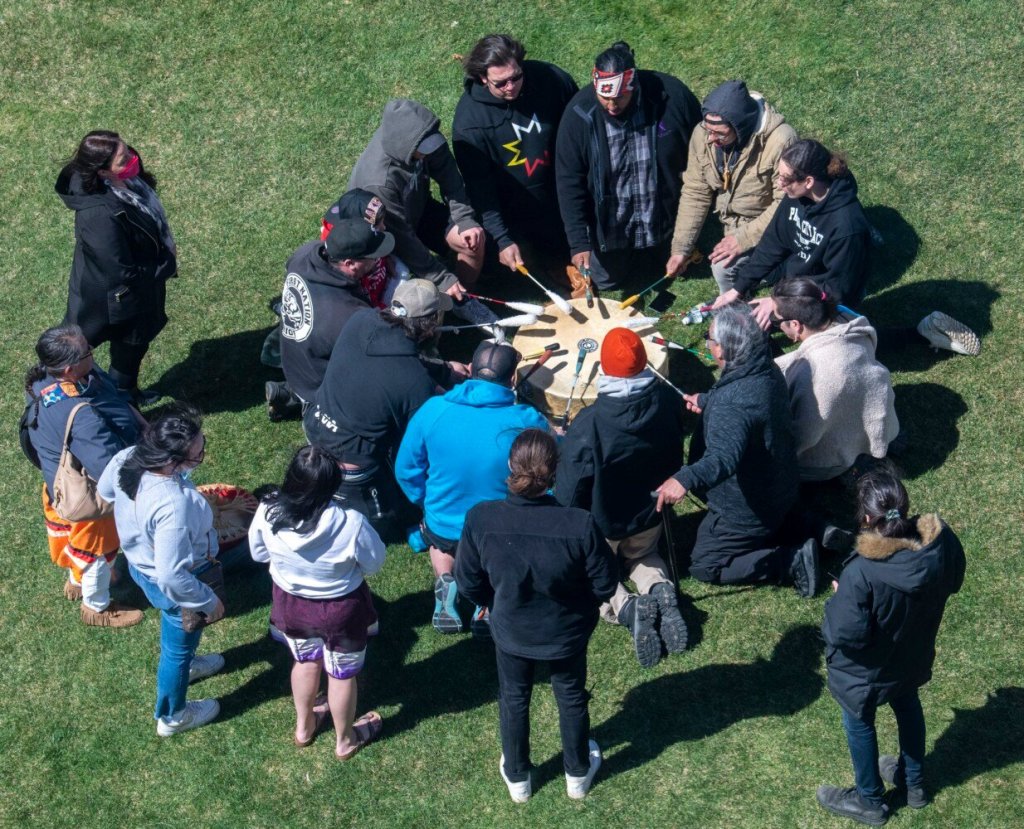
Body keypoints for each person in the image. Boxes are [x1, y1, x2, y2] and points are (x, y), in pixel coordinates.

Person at [456, 430, 617, 802]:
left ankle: (518, 778)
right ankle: (577, 774)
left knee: (514, 697)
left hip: (512, 630)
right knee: (571, 696)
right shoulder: (579, 524)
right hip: (566, 633)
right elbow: (605, 584)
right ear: (554, 473)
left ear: (511, 467)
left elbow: (467, 583)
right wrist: (580, 607)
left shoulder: (481, 519)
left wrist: (495, 603)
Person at [817, 470, 965, 826]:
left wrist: (838, 600)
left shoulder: (861, 573)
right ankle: (913, 784)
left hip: (865, 672)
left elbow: (842, 634)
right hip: (912, 654)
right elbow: (955, 578)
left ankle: (870, 801)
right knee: (907, 702)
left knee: (859, 722)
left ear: (867, 518)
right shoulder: (940, 542)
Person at [654, 304, 820, 596]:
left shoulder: (733, 403)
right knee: (784, 521)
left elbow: (723, 458)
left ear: (721, 351)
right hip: (782, 485)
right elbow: (747, 410)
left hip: (747, 508)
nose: (707, 340)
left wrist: (684, 479)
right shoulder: (765, 367)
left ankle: (789, 561)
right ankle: (812, 529)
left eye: (709, 336)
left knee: (705, 566)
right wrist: (709, 401)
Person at [395, 339, 549, 635]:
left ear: (471, 370)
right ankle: (486, 606)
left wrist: (426, 501)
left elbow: (406, 469)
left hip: (442, 523)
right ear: (513, 378)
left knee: (440, 543)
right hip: (497, 529)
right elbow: (551, 458)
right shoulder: (526, 421)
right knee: (496, 561)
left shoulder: (433, 409)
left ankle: (445, 579)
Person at [554, 328, 688, 667]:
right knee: (644, 555)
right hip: (650, 511)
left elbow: (570, 490)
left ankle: (625, 606)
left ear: (605, 368)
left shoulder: (589, 424)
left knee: (595, 572)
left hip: (603, 523)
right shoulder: (668, 401)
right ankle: (659, 589)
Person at [97, 404, 228, 735]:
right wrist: (208, 602)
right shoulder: (173, 505)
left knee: (183, 642)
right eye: (197, 454)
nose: (202, 457)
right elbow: (173, 577)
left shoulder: (129, 456)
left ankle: (191, 663)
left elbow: (104, 491)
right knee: (175, 650)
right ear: (173, 461)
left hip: (141, 566)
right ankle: (172, 716)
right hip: (171, 582)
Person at [248, 446, 386, 759]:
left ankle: (304, 728)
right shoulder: (351, 523)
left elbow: (258, 553)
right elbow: (374, 563)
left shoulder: (267, 510)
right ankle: (344, 741)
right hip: (341, 608)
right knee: (341, 675)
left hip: (291, 604)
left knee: (305, 661)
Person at [303, 279, 467, 540]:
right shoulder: (415, 384)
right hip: (353, 464)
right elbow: (417, 446)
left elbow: (398, 359)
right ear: (431, 322)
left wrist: (445, 370)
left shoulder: (361, 320)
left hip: (313, 424)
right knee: (385, 524)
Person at [23, 324, 144, 627]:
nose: (93, 353)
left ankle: (76, 580)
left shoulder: (44, 380)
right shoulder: (82, 417)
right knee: (99, 551)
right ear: (69, 368)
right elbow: (108, 469)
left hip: (59, 483)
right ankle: (97, 607)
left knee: (77, 541)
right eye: (88, 351)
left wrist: (136, 418)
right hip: (90, 497)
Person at [555, 41, 701, 290]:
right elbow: (568, 182)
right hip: (612, 228)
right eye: (604, 97)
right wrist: (579, 243)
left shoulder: (673, 97)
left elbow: (701, 154)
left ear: (634, 86)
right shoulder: (578, 115)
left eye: (620, 97)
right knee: (606, 281)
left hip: (662, 219)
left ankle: (659, 244)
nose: (611, 106)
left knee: (675, 268)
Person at [56, 130, 177, 406]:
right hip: (111, 301)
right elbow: (121, 272)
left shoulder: (124, 182)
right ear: (102, 172)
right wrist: (166, 264)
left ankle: (127, 393)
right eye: (124, 159)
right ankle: (113, 404)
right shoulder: (98, 216)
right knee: (81, 349)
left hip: (130, 293)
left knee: (132, 349)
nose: (133, 159)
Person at [452, 33, 578, 280]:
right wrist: (502, 239)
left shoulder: (550, 78)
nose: (511, 87)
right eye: (500, 83)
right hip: (518, 210)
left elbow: (581, 123)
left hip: (566, 188)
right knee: (517, 268)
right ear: (482, 78)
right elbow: (481, 191)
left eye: (516, 77)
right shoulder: (469, 125)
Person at [713, 139, 871, 322]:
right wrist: (738, 288)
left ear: (808, 181)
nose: (779, 184)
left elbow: (837, 289)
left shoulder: (847, 227)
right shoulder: (795, 195)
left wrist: (779, 303)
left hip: (825, 297)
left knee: (755, 321)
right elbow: (772, 243)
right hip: (795, 275)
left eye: (785, 179)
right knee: (747, 308)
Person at [666, 80, 798, 294]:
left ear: (741, 126)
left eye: (719, 134)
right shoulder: (704, 134)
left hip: (768, 224)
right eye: (708, 130)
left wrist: (742, 239)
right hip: (732, 223)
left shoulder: (781, 141)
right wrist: (681, 248)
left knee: (722, 269)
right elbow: (695, 192)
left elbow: (785, 203)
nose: (710, 139)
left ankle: (778, 270)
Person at [348, 99, 483, 296]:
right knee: (413, 290)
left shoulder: (422, 138)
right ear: (404, 147)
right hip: (386, 234)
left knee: (472, 242)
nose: (431, 151)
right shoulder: (380, 183)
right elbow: (402, 239)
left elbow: (450, 178)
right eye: (425, 149)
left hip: (418, 210)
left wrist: (464, 219)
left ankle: (465, 298)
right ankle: (442, 300)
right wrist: (441, 279)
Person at [772, 278, 899, 482]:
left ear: (795, 325)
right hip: (877, 424)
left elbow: (804, 437)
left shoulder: (812, 376)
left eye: (776, 320)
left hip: (835, 459)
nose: (774, 323)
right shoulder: (851, 325)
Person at [267, 219, 395, 419]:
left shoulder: (306, 253)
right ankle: (304, 401)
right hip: (319, 386)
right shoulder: (348, 315)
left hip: (294, 359)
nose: (379, 260)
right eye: (373, 257)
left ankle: (288, 395)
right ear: (350, 263)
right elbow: (385, 355)